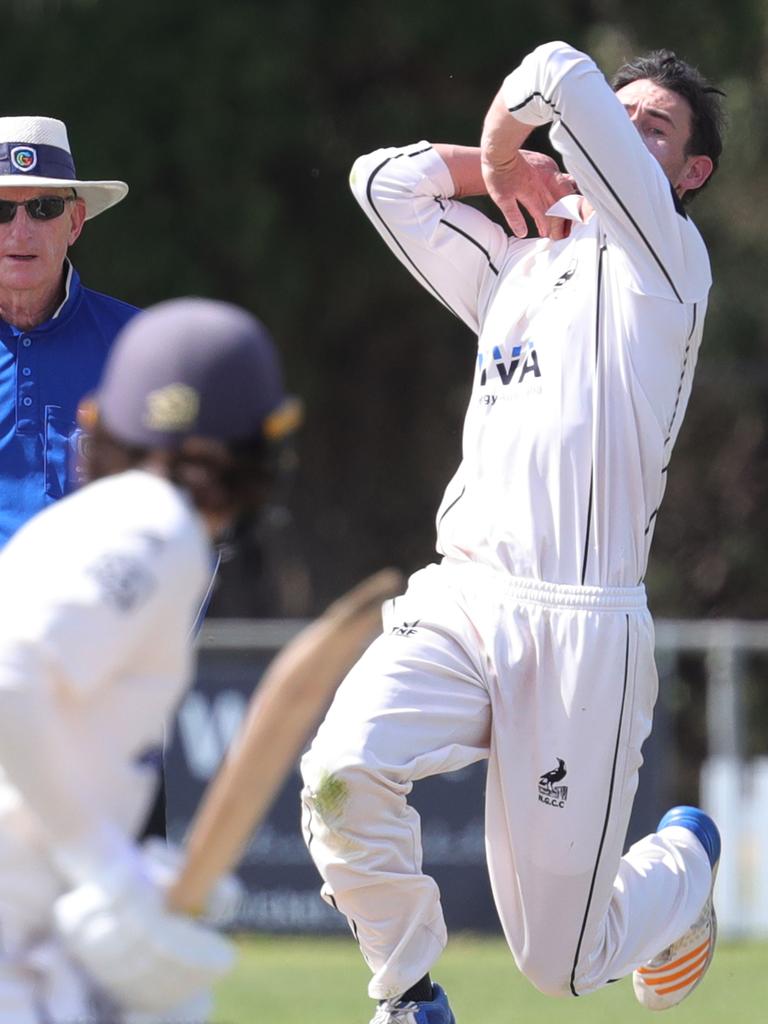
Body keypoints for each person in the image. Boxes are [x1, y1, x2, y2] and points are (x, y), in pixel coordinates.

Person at [300, 41, 725, 1023]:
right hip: (460, 596)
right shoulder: (516, 262)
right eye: (618, 120)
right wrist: (500, 169)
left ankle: (686, 856)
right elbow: (383, 183)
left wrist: (501, 140)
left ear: (691, 173)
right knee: (337, 778)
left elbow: (561, 72)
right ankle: (408, 994)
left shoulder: (667, 265)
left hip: (580, 629)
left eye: (649, 128)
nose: (616, 133)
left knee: (565, 967)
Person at [0, 297, 301, 1023]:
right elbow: (9, 681)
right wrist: (105, 867)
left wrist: (130, 869)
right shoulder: (157, 528)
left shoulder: (95, 520)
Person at [0, 114, 138, 548]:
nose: (20, 232)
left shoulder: (140, 350)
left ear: (75, 222)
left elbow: (187, 518)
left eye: (44, 208)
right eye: (1, 210)